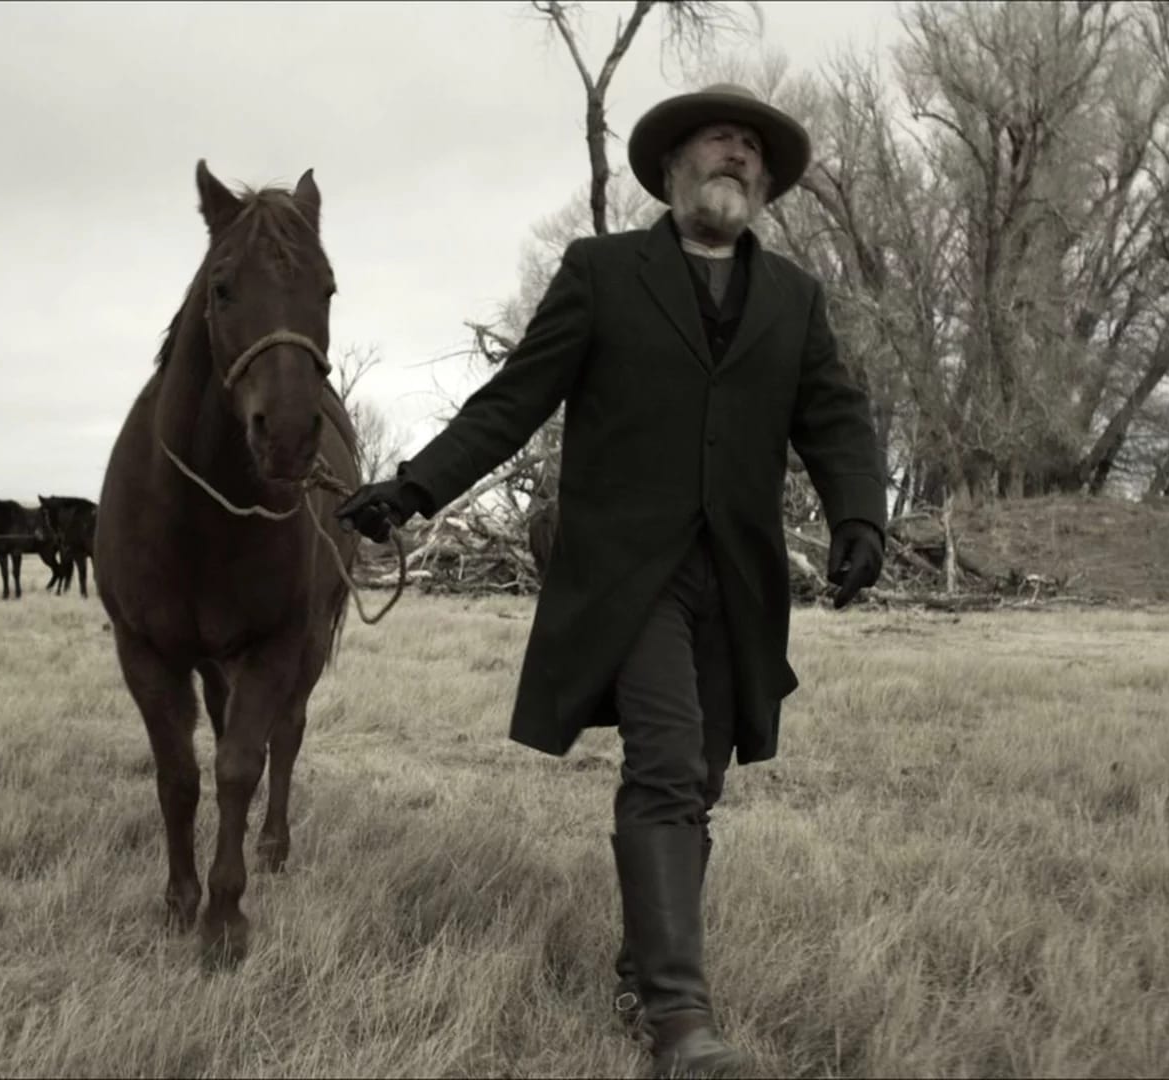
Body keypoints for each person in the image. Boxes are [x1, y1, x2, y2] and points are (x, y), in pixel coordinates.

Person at [336, 84, 887, 1078]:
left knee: (698, 782)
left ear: (765, 186)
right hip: (627, 572)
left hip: (738, 579)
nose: (737, 155)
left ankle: (641, 970)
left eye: (752, 149)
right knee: (667, 765)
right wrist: (414, 488)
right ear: (671, 168)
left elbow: (836, 416)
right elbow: (514, 400)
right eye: (718, 141)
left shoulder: (795, 298)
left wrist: (860, 516)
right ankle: (681, 1023)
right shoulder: (601, 273)